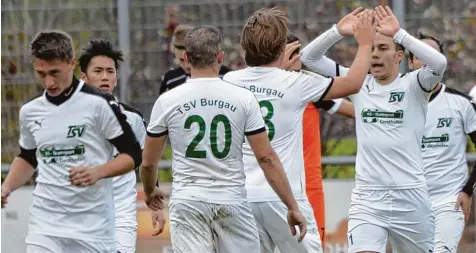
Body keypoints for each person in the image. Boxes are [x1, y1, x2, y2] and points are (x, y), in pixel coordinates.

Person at [140, 25, 307, 253]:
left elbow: (148, 163)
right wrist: (292, 206)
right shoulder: (243, 98)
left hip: (190, 201)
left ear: (187, 58)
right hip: (232, 200)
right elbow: (266, 157)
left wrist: (150, 192)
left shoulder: (168, 100)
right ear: (220, 57)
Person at [223, 7, 375, 253]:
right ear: (282, 50)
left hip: (242, 197)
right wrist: (365, 44)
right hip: (285, 196)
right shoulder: (296, 83)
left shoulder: (228, 81)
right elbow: (354, 83)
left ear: (244, 46)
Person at [300, 6, 447, 253]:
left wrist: (399, 33)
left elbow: (439, 62)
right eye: (372, 48)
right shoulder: (358, 84)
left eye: (383, 48)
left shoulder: (415, 85)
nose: (375, 55)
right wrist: (338, 31)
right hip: (368, 198)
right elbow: (308, 58)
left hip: (410, 197)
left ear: (399, 56)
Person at [0, 30, 142, 253]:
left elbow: (133, 155)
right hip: (45, 225)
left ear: (71, 63)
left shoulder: (99, 103)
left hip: (93, 228)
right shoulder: (30, 111)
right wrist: (6, 187)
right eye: (41, 73)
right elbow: (28, 157)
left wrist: (98, 172)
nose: (48, 82)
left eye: (55, 72)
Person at [77, 39, 164, 252]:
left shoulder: (132, 118)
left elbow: (147, 162)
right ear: (84, 77)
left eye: (110, 71)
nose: (105, 77)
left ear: (116, 78)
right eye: (98, 71)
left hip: (121, 215)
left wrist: (155, 201)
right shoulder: (70, 117)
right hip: (81, 215)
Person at [282, 33, 355, 248]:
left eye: (298, 53)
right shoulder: (262, 88)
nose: (296, 59)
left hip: (308, 187)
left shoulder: (310, 87)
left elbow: (354, 111)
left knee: (313, 245)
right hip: (272, 185)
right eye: (290, 53)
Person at [407, 34, 476, 253]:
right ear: (410, 62)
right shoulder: (396, 104)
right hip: (409, 202)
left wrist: (467, 190)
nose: (428, 60)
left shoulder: (461, 104)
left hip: (449, 200)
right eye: (420, 55)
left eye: (434, 55)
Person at [159, 24, 231, 96]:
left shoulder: (227, 76)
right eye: (181, 60)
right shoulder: (171, 78)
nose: (187, 66)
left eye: (192, 60)